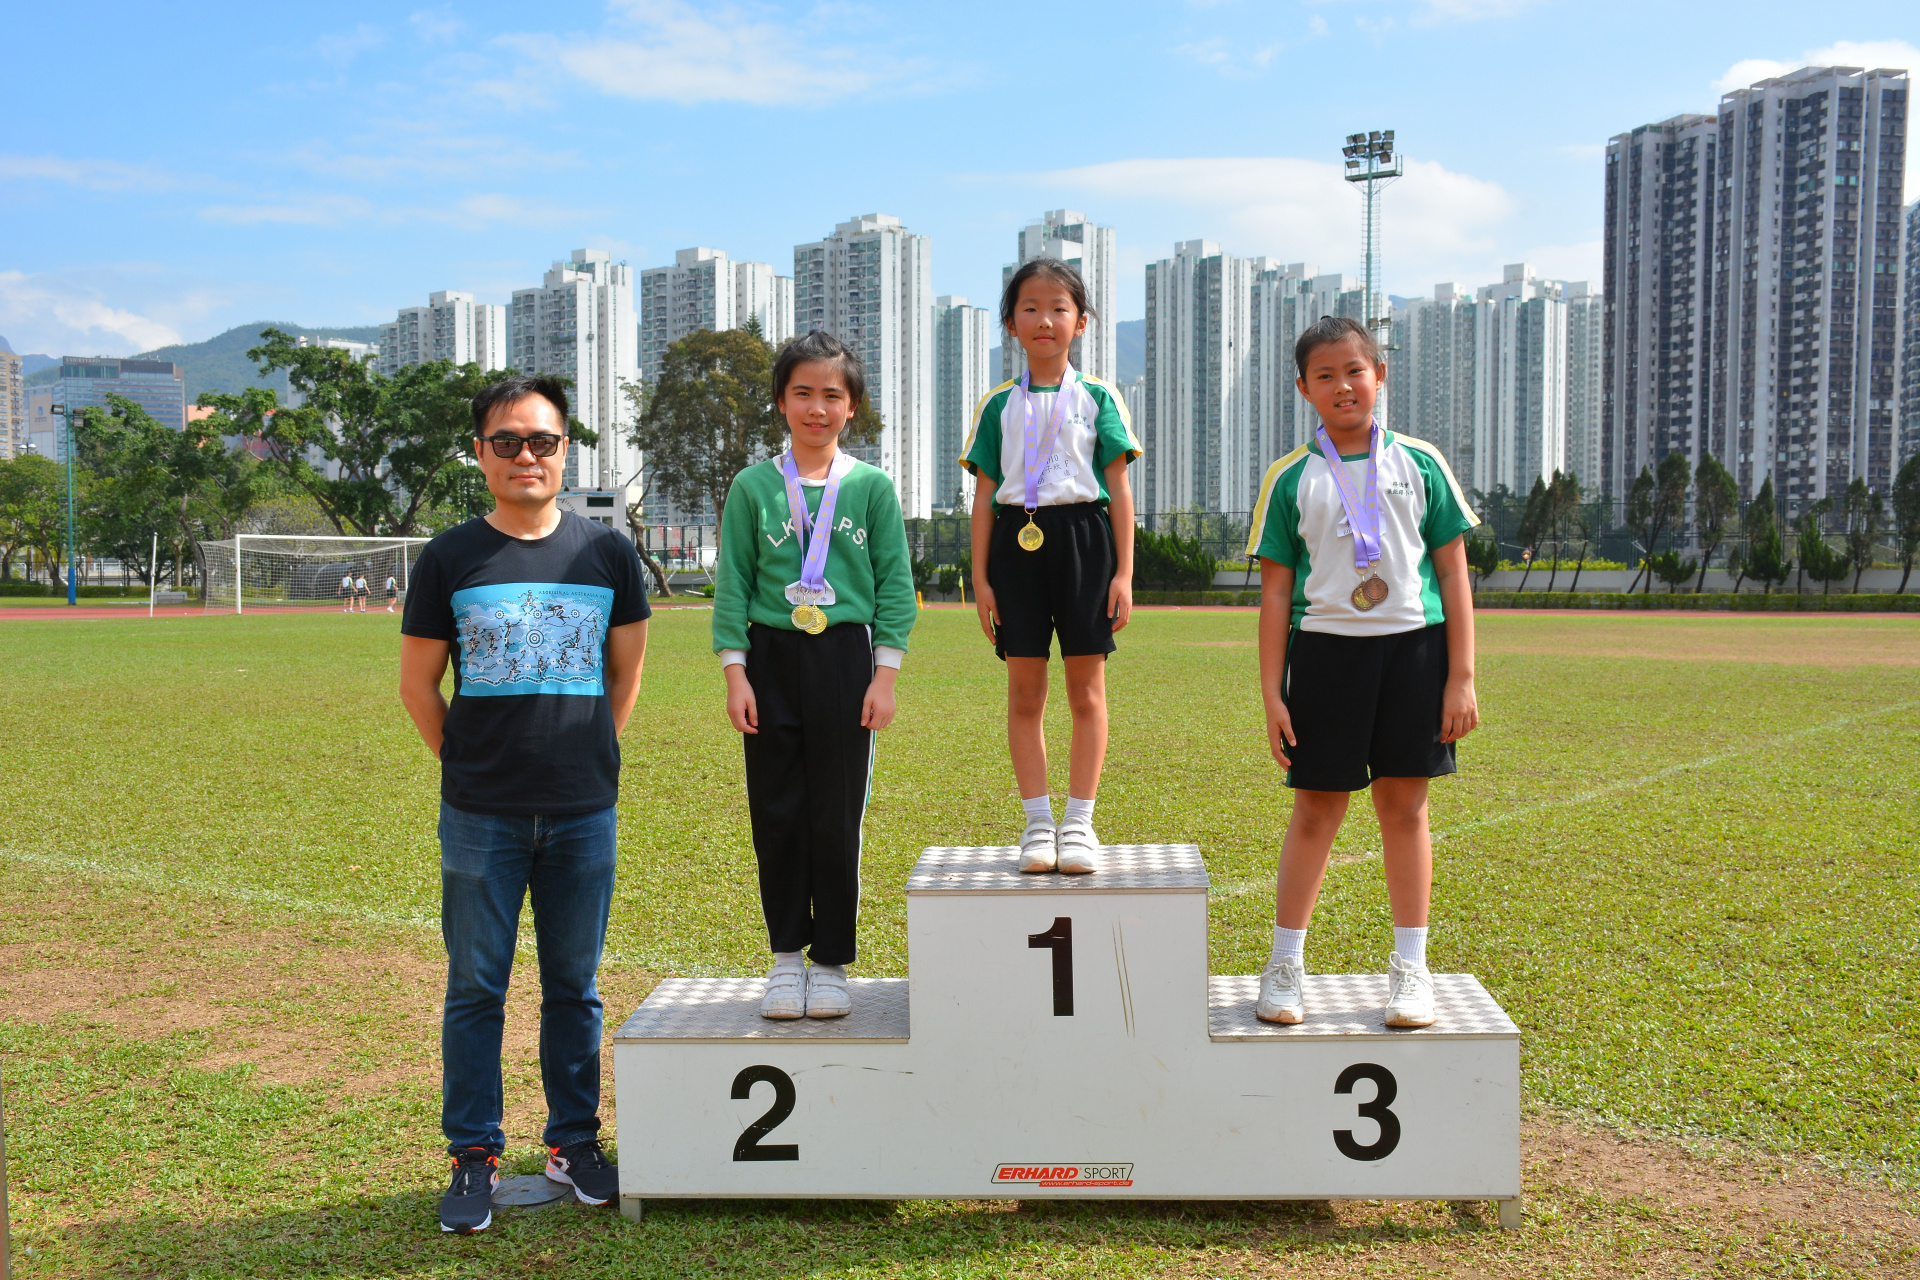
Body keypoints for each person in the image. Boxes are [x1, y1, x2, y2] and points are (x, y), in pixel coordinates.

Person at [398, 374, 650, 1233]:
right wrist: (470, 764)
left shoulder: (606, 554)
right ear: (481, 453)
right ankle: (473, 1155)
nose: (525, 455)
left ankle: (573, 1143)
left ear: (564, 450)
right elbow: (418, 685)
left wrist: (586, 755)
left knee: (574, 987)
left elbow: (624, 675)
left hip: (584, 811)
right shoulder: (449, 557)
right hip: (481, 813)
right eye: (506, 441)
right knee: (476, 987)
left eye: (541, 440)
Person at [1247, 316, 1479, 1030]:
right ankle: (1285, 963)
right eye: (1325, 375)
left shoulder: (1421, 462)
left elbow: (1453, 572)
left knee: (1405, 809)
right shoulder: (1291, 477)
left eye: (1355, 370)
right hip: (1326, 657)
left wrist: (1462, 676)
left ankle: (1412, 968)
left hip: (1414, 652)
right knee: (1316, 810)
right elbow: (1276, 595)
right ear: (1303, 388)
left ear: (1380, 375)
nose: (1343, 386)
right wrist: (1272, 693)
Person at [712, 330, 915, 1022]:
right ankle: (785, 959)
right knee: (776, 811)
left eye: (832, 394)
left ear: (852, 406)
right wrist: (736, 674)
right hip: (770, 656)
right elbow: (734, 586)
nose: (817, 408)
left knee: (836, 813)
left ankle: (830, 962)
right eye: (803, 393)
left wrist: (884, 676)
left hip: (845, 658)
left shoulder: (871, 487)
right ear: (781, 401)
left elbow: (895, 588)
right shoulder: (753, 487)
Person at [961, 260, 1140, 875]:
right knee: (1025, 692)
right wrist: (981, 578)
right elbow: (984, 497)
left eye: (1059, 308)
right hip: (1017, 542)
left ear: (1080, 322)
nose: (1045, 319)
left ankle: (1080, 822)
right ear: (1011, 324)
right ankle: (1038, 823)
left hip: (1085, 542)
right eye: (1030, 308)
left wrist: (1124, 574)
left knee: (1087, 691)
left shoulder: (1098, 398)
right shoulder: (998, 405)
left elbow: (1119, 490)